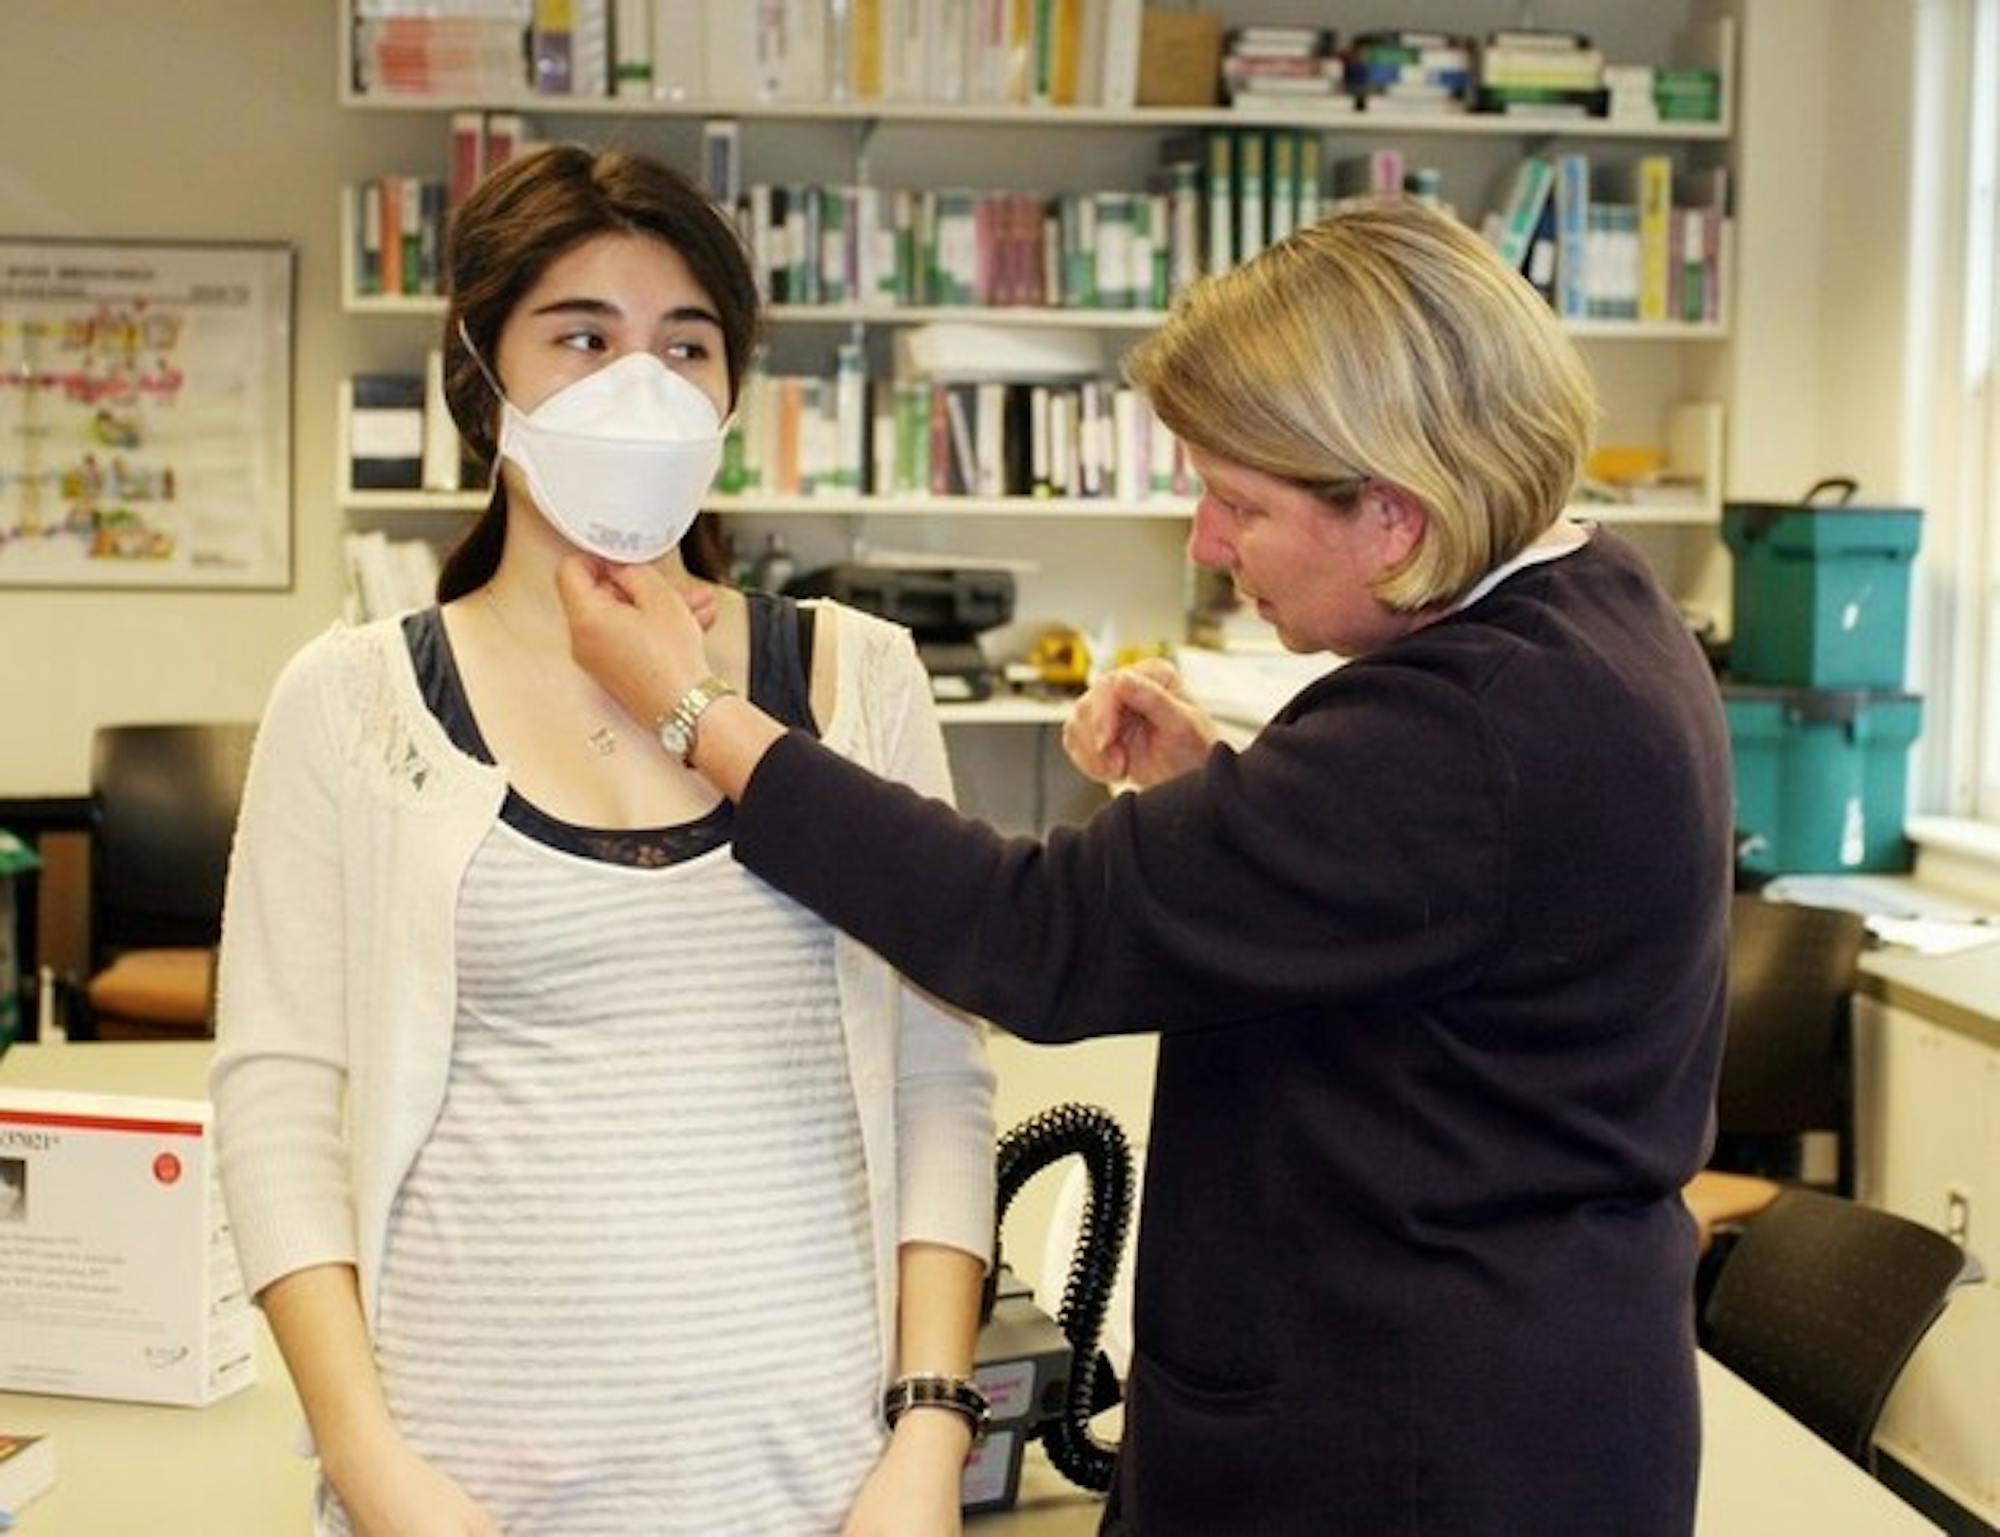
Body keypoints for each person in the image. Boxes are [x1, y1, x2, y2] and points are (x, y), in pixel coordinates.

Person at [560, 196, 1734, 1535]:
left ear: (1397, 518)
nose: (1208, 545)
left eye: (1239, 502)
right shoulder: (1599, 603)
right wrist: (1230, 816)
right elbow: (1446, 913)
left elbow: (1034, 936)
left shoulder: (1462, 730)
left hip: (1411, 1451)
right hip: (1515, 1382)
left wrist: (700, 716)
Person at [211, 146, 996, 1537]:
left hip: (812, 1481)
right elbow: (276, 1113)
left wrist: (927, 1439)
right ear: (483, 375)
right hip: (463, 1485)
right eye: (583, 335)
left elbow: (943, 1077)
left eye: (685, 342)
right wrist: (376, 1470)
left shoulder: (856, 679)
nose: (642, 383)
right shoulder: (353, 701)